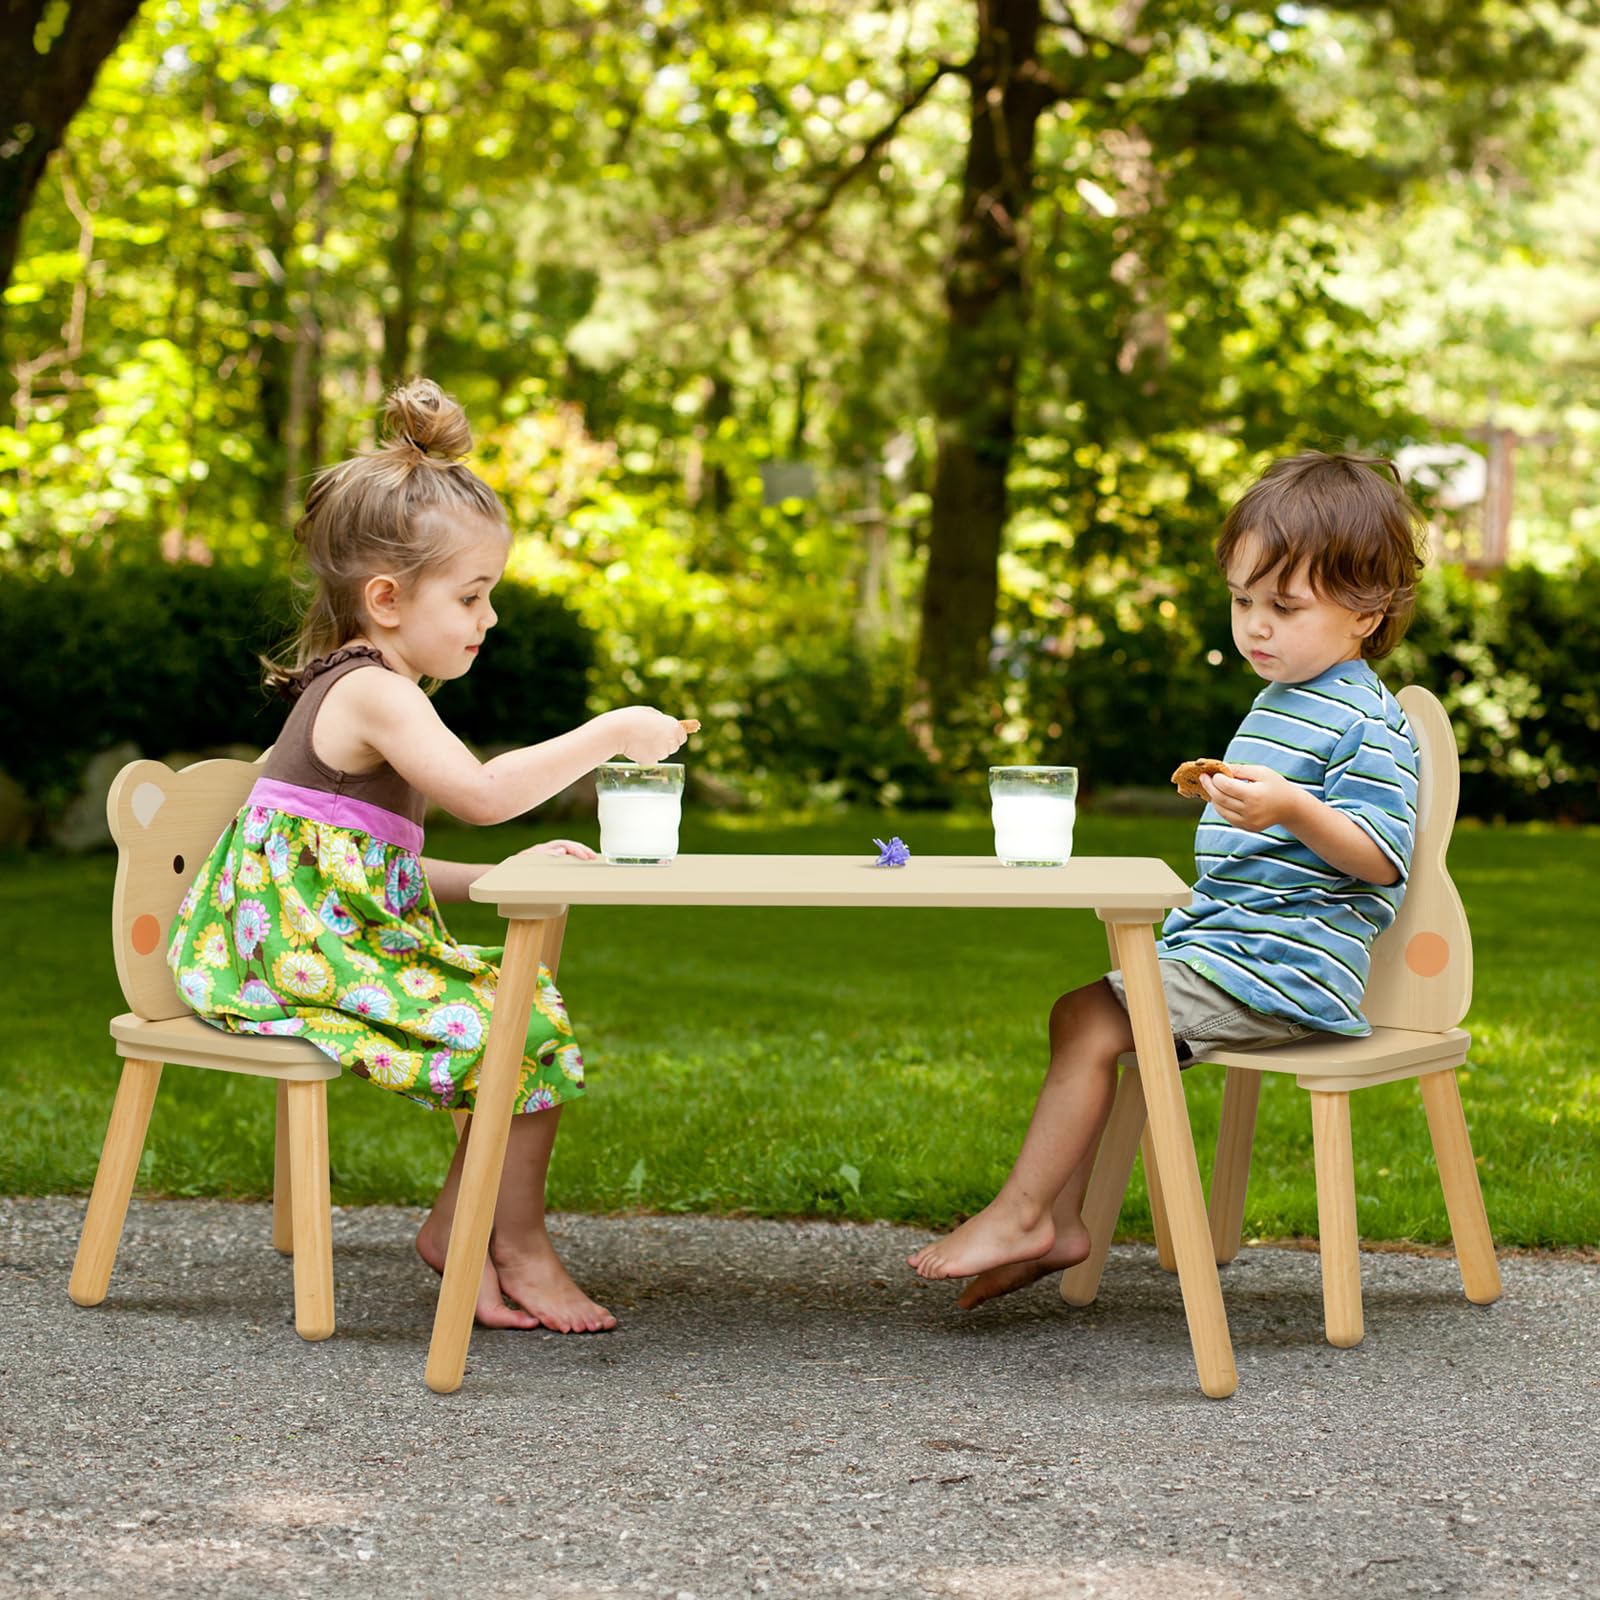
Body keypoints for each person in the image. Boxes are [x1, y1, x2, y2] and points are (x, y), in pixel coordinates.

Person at [168, 377, 694, 1334]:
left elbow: (362, 870)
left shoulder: (378, 686)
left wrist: (502, 877)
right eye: (472, 595)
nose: (488, 619)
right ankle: (512, 1245)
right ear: (388, 599)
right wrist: (612, 729)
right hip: (284, 963)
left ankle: (463, 1229)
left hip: (308, 942)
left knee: (517, 1009)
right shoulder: (376, 693)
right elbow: (484, 797)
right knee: (520, 1031)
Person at [909, 450, 1427, 1304]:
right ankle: (1055, 1223)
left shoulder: (1367, 722)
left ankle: (1025, 1214)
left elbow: (1381, 857)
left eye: (1284, 606)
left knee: (1091, 1016)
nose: (1256, 626)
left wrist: (1294, 808)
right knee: (1090, 1018)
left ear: (1366, 615)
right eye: (1242, 601)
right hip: (1237, 949)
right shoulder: (1287, 697)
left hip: (1284, 970)